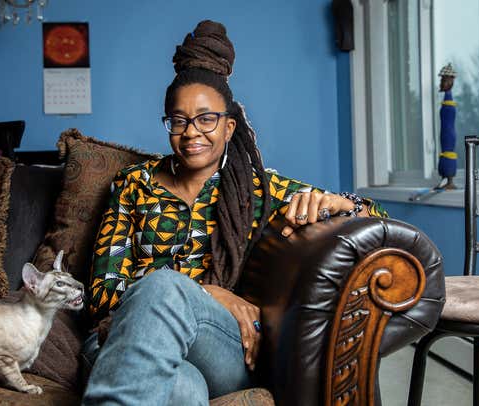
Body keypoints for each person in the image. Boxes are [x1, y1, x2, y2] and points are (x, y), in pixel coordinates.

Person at [81, 20, 388, 406]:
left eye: (206, 119)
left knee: (161, 286)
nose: (191, 132)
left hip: (220, 344)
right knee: (183, 389)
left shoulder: (256, 188)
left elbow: (379, 222)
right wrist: (206, 292)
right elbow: (102, 298)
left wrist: (342, 203)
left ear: (229, 127)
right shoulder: (132, 185)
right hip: (118, 335)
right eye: (178, 120)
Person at [435, 63, 458, 190]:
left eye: (443, 80)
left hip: (448, 135)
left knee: (448, 150)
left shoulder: (449, 104)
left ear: (449, 82)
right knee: (445, 149)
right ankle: (445, 179)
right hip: (445, 134)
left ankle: (449, 179)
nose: (440, 83)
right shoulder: (447, 102)